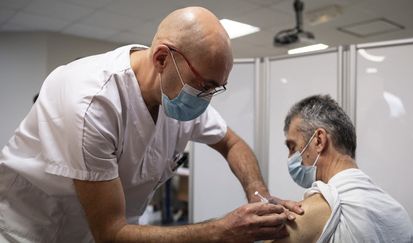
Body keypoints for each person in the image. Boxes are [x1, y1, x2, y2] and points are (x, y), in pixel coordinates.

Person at [0, 6, 302, 243]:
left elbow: (231, 143)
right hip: (35, 232)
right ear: (161, 59)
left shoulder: (175, 93)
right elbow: (111, 232)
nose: (206, 99)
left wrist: (258, 192)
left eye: (215, 88)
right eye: (203, 86)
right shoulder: (92, 103)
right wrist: (221, 230)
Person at [269, 94, 413, 243]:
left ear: (319, 140)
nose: (290, 157)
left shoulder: (311, 212)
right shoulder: (399, 214)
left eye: (292, 147)